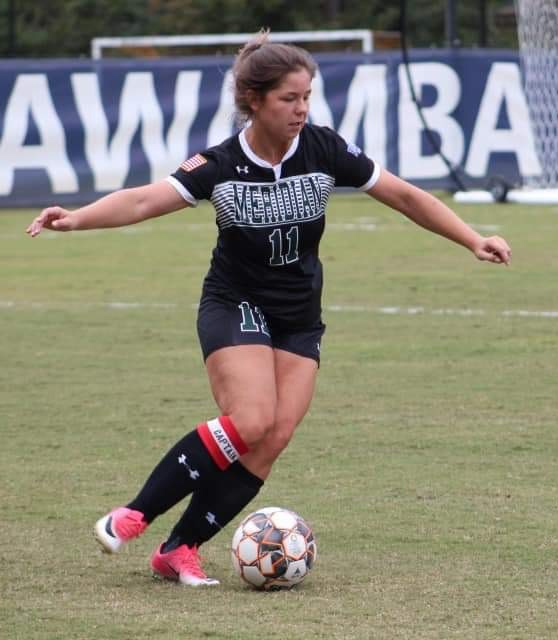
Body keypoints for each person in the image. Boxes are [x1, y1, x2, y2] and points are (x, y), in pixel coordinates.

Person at [26, 30, 512, 587]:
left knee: (274, 435)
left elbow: (405, 195)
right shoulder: (220, 163)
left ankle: (178, 550)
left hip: (299, 314)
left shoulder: (326, 149)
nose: (302, 109)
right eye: (289, 98)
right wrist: (76, 218)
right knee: (251, 419)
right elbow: (141, 199)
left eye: (307, 96)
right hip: (235, 303)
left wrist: (471, 238)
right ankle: (134, 513)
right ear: (254, 100)